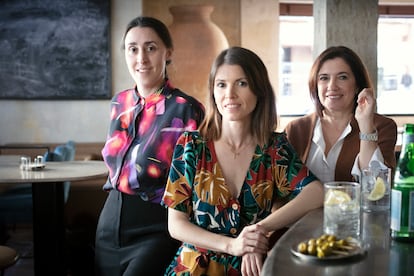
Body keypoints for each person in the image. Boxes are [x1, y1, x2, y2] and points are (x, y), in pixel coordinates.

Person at [161, 47, 324, 276]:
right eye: (221, 84)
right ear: (213, 92)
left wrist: (257, 232)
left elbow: (316, 192)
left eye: (242, 83)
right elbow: (176, 224)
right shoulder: (191, 145)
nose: (230, 94)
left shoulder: (274, 148)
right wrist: (232, 246)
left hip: (251, 269)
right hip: (194, 268)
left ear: (259, 91)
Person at [95, 16, 204, 276]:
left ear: (167, 53)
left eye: (151, 48)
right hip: (109, 224)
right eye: (133, 49)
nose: (141, 58)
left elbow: (194, 180)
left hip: (156, 226)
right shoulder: (118, 103)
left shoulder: (186, 108)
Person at [284, 46, 397, 184]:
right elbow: (280, 187)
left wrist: (366, 127)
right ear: (315, 85)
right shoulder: (296, 129)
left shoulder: (383, 126)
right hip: (303, 207)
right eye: (324, 78)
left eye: (342, 77)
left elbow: (376, 187)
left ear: (357, 85)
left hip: (356, 206)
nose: (332, 86)